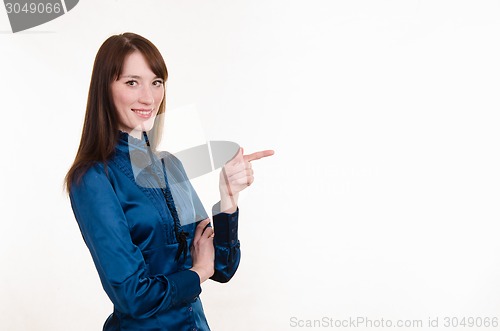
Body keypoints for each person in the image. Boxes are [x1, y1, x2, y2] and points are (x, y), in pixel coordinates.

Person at [65, 32, 274, 330]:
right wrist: (198, 272)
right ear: (105, 89)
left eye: (156, 82)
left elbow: (223, 267)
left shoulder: (169, 166)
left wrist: (228, 198)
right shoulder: (93, 178)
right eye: (131, 82)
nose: (148, 97)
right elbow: (133, 297)